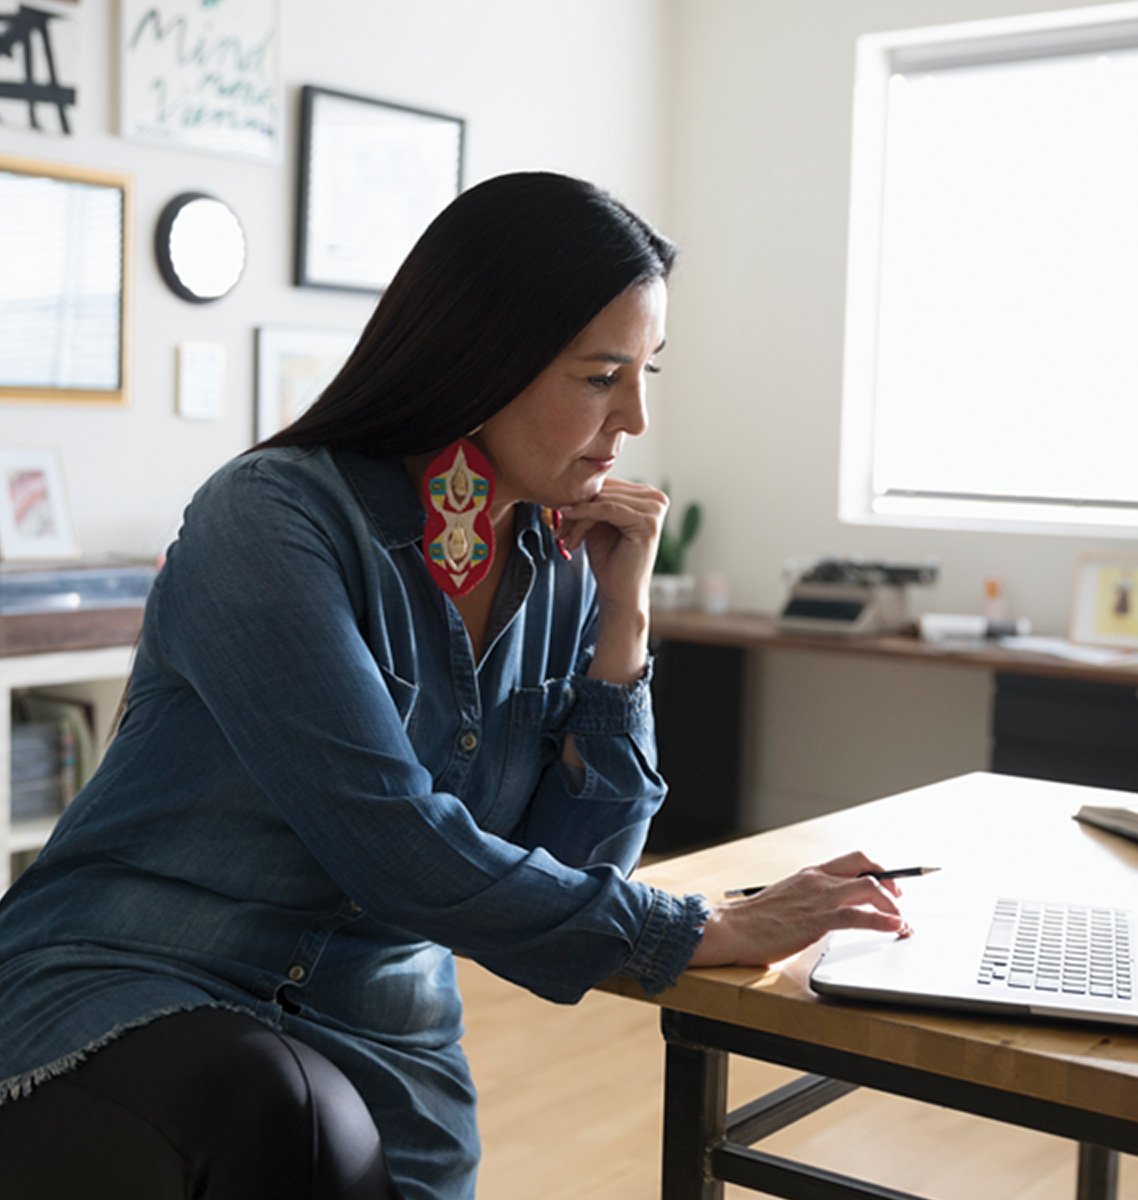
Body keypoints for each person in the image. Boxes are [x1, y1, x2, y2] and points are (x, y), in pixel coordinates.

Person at [0, 172, 908, 1200]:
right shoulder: (268, 520)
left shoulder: (565, 565)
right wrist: (698, 927)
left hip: (386, 1032)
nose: (636, 417)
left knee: (336, 1132)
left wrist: (625, 624)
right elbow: (392, 844)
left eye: (647, 371)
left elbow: (574, 862)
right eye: (602, 374)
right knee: (288, 1117)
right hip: (138, 981)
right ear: (483, 360)